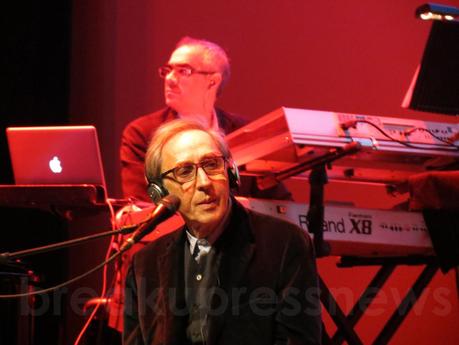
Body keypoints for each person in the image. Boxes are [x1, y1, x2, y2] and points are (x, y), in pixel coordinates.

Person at [123, 119, 322, 345]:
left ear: (231, 172)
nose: (204, 182)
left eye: (211, 164)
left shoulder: (283, 244)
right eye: (185, 171)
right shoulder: (144, 264)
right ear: (160, 192)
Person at [120, 36, 290, 202]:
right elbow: (140, 205)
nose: (170, 79)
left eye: (183, 71)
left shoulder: (244, 132)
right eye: (168, 70)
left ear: (213, 81)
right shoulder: (143, 133)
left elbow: (281, 203)